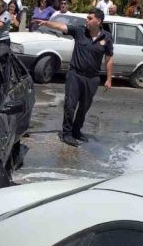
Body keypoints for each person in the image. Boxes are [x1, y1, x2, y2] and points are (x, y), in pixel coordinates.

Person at [38, 9, 114, 146]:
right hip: (75, 75)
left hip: (92, 78)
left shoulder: (107, 37)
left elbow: (109, 59)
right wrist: (47, 24)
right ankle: (66, 133)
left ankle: (76, 131)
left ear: (99, 21)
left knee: (84, 107)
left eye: (90, 18)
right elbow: (62, 27)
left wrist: (109, 79)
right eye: (87, 18)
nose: (87, 20)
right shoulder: (80, 31)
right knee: (70, 105)